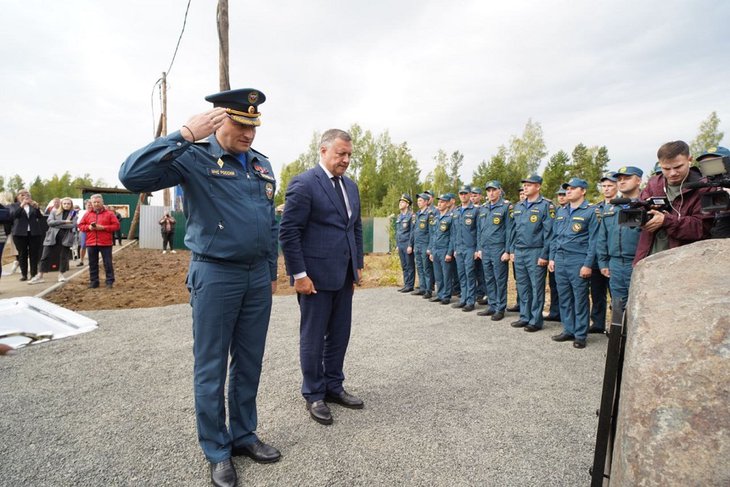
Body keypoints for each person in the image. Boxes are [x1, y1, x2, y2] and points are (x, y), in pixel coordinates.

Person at [121, 88, 280, 486]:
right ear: (218, 120)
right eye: (241, 125)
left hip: (256, 277)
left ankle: (244, 436)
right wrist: (182, 135)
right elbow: (130, 175)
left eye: (253, 126)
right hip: (216, 274)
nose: (248, 134)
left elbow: (269, 222)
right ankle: (217, 450)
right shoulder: (193, 156)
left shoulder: (261, 165)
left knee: (249, 362)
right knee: (211, 367)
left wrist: (270, 270)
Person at [279, 128, 365, 428]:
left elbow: (354, 227)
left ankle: (333, 385)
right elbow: (289, 232)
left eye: (349, 155)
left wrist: (358, 265)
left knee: (340, 334)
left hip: (343, 275)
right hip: (314, 278)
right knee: (313, 337)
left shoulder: (350, 187)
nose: (345, 160)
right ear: (323, 151)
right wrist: (299, 275)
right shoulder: (304, 184)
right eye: (340, 153)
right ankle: (314, 393)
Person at [634, 140, 715, 263]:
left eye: (678, 167)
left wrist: (666, 220)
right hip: (648, 259)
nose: (672, 173)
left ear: (690, 159)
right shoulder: (653, 183)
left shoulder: (705, 187)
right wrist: (643, 215)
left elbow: (702, 228)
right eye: (666, 168)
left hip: (684, 263)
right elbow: (638, 211)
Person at [549, 178, 599, 349]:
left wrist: (587, 264)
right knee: (564, 297)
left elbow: (594, 241)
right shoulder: (562, 211)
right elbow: (555, 237)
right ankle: (568, 329)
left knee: (580, 298)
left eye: (572, 188)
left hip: (578, 259)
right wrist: (552, 258)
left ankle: (580, 334)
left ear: (583, 191)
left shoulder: (591, 211)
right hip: (561, 259)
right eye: (567, 189)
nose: (568, 191)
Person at [596, 166, 644, 326]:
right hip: (615, 263)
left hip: (638, 262)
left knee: (639, 303)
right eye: (620, 179)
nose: (622, 181)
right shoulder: (611, 208)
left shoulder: (646, 206)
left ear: (638, 180)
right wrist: (603, 262)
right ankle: (616, 345)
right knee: (617, 304)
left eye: (627, 178)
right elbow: (602, 237)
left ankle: (635, 345)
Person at [509, 175, 555, 331]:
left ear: (538, 187)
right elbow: (514, 231)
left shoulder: (546, 206)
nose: (525, 187)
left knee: (536, 287)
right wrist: (513, 249)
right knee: (522, 286)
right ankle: (524, 316)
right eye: (525, 185)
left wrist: (544, 255)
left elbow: (549, 233)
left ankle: (535, 320)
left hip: (536, 251)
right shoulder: (519, 206)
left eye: (529, 185)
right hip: (520, 250)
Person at [476, 181, 511, 321]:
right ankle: (492, 304)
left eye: (494, 190)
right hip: (486, 249)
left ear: (499, 191)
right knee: (488, 278)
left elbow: (509, 230)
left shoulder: (506, 207)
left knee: (500, 279)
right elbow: (479, 230)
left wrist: (507, 250)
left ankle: (500, 308)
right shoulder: (483, 208)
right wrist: (479, 248)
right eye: (488, 190)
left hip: (499, 248)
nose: (491, 193)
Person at [588, 173, 617, 333]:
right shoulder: (596, 209)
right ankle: (598, 323)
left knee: (616, 295)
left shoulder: (622, 206)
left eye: (610, 185)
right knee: (597, 293)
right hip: (596, 258)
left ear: (617, 186)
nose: (606, 189)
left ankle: (615, 327)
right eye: (604, 186)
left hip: (612, 256)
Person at [29, 197, 77, 284]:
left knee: (64, 257)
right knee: (45, 256)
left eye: (68, 203)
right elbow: (50, 222)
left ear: (71, 205)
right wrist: (64, 222)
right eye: (64, 203)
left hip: (66, 237)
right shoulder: (54, 212)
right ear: (61, 204)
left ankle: (61, 274)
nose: (66, 205)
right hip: (52, 237)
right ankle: (40, 276)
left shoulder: (73, 214)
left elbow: (72, 225)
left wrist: (57, 223)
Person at [77, 194, 119, 289]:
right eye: (94, 202)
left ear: (102, 202)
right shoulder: (87, 214)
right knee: (92, 263)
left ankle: (109, 281)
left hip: (105, 243)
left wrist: (103, 227)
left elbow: (116, 226)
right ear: (91, 203)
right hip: (91, 242)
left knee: (107, 263)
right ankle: (94, 282)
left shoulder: (109, 214)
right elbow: (80, 226)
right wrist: (88, 227)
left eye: (98, 202)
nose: (96, 204)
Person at [451, 186, 479, 312]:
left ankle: (470, 301)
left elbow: (479, 231)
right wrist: (455, 248)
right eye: (461, 193)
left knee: (469, 274)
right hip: (459, 248)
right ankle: (463, 299)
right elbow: (454, 232)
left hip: (470, 248)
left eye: (465, 193)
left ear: (469, 195)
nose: (463, 196)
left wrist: (477, 249)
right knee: (461, 274)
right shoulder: (456, 212)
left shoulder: (475, 211)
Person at [10, 189, 45, 282]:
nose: (25, 196)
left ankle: (33, 274)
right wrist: (22, 205)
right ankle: (24, 274)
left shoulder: (32, 205)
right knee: (22, 254)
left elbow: (40, 217)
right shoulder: (14, 206)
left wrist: (37, 208)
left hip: (34, 233)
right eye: (22, 194)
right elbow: (14, 215)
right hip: (19, 233)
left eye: (27, 194)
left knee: (34, 254)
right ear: (17, 197)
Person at [428, 194, 456, 304]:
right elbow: (433, 235)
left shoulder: (451, 217)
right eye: (439, 202)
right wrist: (431, 250)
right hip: (436, 250)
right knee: (438, 274)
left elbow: (452, 236)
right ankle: (440, 294)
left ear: (448, 203)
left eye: (443, 202)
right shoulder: (436, 218)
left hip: (445, 249)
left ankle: (446, 296)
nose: (439, 204)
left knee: (446, 274)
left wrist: (449, 252)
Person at [410, 193, 433, 297]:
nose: (418, 202)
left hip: (425, 244)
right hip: (417, 244)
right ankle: (422, 288)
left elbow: (432, 232)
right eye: (418, 201)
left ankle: (428, 289)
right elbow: (414, 230)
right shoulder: (417, 214)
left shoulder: (430, 214)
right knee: (419, 267)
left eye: (420, 201)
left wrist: (430, 247)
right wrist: (412, 244)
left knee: (426, 268)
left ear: (426, 202)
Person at [395, 194, 415, 292]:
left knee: (409, 265)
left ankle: (410, 285)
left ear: (407, 204)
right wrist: (397, 245)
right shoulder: (399, 216)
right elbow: (398, 231)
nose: (400, 204)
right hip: (401, 244)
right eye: (400, 202)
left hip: (407, 243)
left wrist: (410, 245)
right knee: (404, 265)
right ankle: (406, 283)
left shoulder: (411, 216)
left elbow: (412, 231)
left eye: (402, 202)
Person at [76, 200, 93, 267]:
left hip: (92, 230)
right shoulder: (81, 212)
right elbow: (78, 222)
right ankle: (81, 260)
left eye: (91, 205)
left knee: (91, 246)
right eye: (88, 205)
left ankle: (91, 261)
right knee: (83, 245)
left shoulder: (95, 212)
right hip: (83, 230)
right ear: (85, 205)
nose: (90, 206)